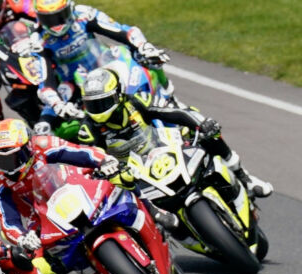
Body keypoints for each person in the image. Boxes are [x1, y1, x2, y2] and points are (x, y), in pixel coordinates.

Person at [77, 67, 272, 200]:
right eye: (92, 104)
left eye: (103, 102)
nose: (98, 110)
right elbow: (90, 159)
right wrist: (106, 170)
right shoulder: (88, 129)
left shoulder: (136, 101)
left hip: (162, 150)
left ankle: (244, 177)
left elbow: (173, 113)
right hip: (135, 175)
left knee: (208, 133)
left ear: (118, 95)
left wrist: (201, 123)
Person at [0, 118, 126, 249]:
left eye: (14, 157)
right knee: (39, 263)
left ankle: (144, 202)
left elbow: (79, 152)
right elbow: (7, 221)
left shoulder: (42, 144)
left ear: (28, 146)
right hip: (39, 217)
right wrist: (22, 238)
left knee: (122, 177)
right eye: (0, 159)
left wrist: (104, 161)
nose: (9, 167)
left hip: (70, 186)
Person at [33, 0, 166, 85]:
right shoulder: (38, 40)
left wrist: (143, 45)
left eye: (59, 16)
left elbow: (122, 31)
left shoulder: (84, 14)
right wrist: (57, 103)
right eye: (49, 19)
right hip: (75, 85)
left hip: (105, 63)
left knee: (147, 58)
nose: (56, 24)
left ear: (70, 9)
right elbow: (44, 81)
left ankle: (167, 92)